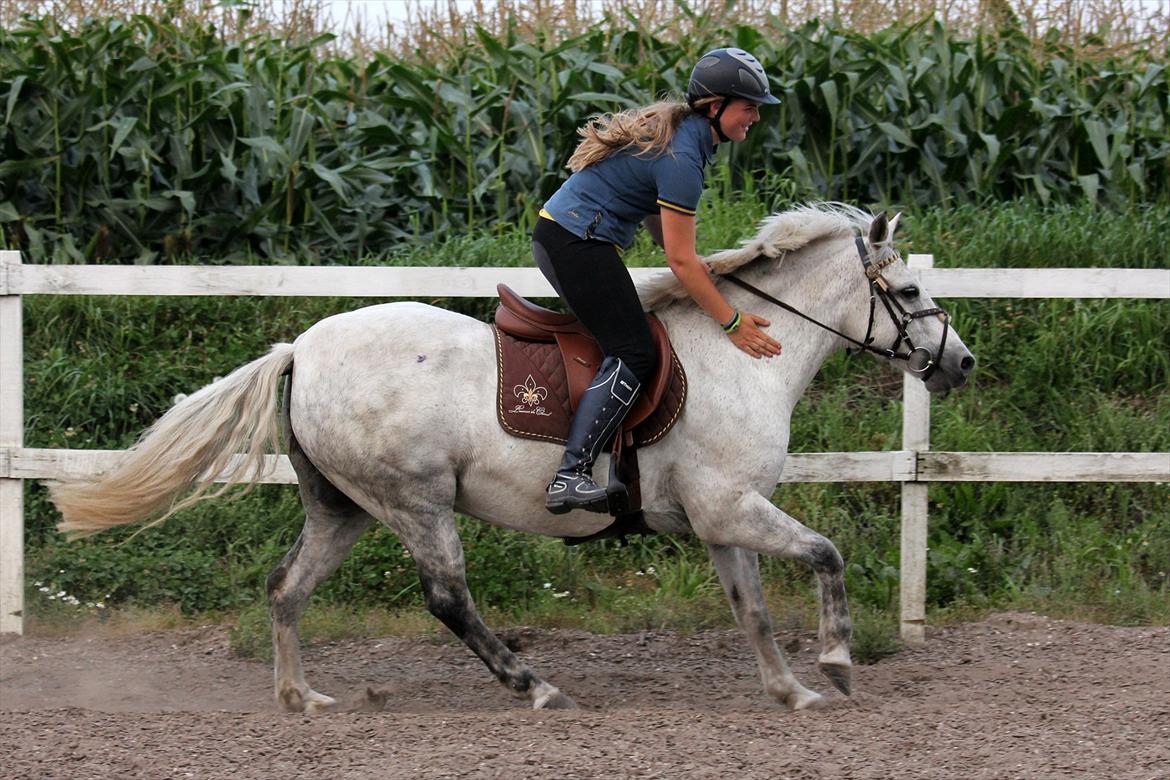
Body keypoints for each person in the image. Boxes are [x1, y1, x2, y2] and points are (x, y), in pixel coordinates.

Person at [535, 47, 784, 515]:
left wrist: (694, 264)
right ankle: (571, 475)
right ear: (716, 106)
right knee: (634, 349)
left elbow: (658, 218)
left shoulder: (688, 139)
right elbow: (679, 259)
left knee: (633, 337)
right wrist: (732, 322)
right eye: (749, 107)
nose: (754, 117)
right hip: (575, 243)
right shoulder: (683, 157)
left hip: (570, 237)